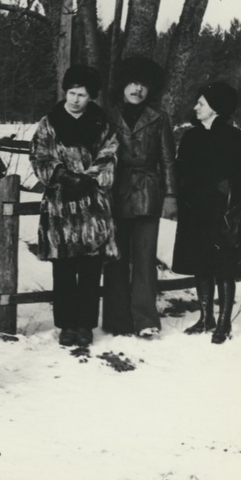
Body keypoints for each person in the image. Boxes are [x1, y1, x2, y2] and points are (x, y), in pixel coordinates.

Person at [30, 64, 118, 348]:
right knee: (64, 268)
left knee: (91, 268)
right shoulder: (49, 122)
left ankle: (85, 325)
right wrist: (62, 175)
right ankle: (66, 324)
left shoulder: (101, 123)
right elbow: (39, 155)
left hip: (92, 205)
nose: (75, 99)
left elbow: (110, 155)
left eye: (82, 94)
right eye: (71, 93)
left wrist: (88, 179)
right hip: (60, 205)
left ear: (91, 97)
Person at [171, 81, 241, 344]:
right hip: (195, 212)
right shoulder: (191, 137)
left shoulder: (236, 138)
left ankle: (224, 323)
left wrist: (230, 186)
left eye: (201, 103)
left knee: (225, 267)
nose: (196, 107)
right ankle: (206, 318)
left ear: (216, 108)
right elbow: (180, 170)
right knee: (201, 264)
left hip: (223, 215)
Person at [102, 56, 177, 339]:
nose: (137, 89)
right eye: (132, 83)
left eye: (144, 85)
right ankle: (116, 320)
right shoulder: (107, 116)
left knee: (145, 260)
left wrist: (170, 195)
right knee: (115, 258)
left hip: (149, 194)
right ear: (122, 85)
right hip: (114, 193)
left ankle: (145, 319)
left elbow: (168, 161)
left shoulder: (159, 118)